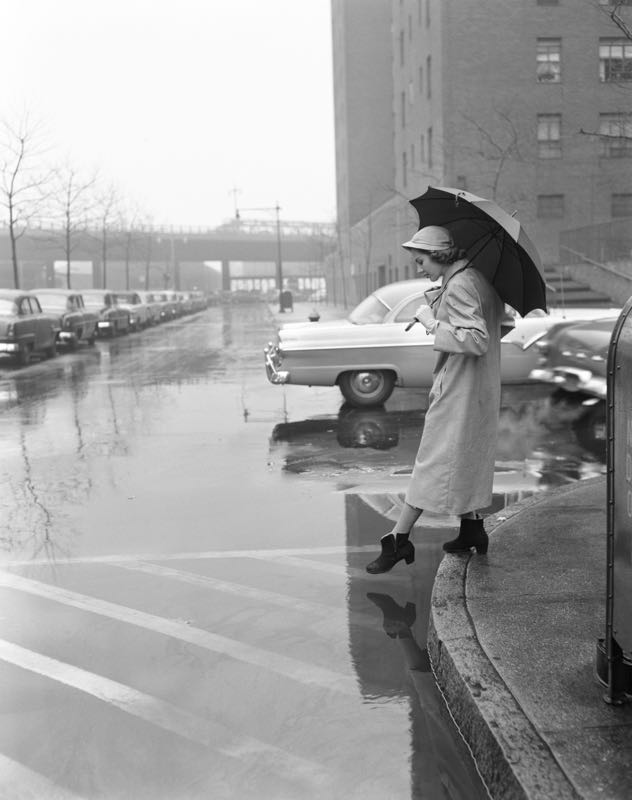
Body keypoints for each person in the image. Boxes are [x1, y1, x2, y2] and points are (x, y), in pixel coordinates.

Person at [366, 225, 505, 574]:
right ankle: (472, 530)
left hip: (458, 388)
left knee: (431, 463)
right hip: (479, 387)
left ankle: (399, 539)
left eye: (421, 260)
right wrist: (438, 303)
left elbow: (475, 340)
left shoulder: (460, 284)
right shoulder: (476, 280)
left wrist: (431, 322)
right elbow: (501, 323)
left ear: (440, 254)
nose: (418, 268)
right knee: (466, 456)